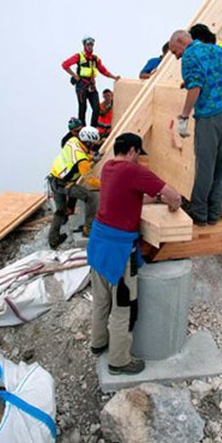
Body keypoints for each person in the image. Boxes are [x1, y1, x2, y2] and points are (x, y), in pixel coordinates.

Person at [86, 133, 182, 375]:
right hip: (119, 252)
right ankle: (118, 362)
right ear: (132, 150)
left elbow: (131, 197)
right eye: (138, 154)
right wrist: (173, 204)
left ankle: (98, 344)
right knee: (123, 309)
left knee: (101, 301)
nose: (139, 158)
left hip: (98, 245)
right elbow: (176, 197)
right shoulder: (135, 171)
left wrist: (155, 197)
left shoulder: (109, 168)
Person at [169, 29, 222, 226]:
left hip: (210, 115)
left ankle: (199, 216)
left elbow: (196, 86)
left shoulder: (190, 55)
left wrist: (184, 115)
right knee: (220, 167)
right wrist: (220, 83)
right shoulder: (218, 50)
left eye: (174, 51)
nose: (176, 57)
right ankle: (213, 215)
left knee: (205, 166)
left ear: (181, 41)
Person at [47, 126, 101, 249]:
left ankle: (53, 240)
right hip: (64, 184)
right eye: (92, 144)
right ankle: (89, 229)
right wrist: (106, 185)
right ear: (88, 142)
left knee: (60, 211)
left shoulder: (72, 141)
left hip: (54, 180)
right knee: (91, 197)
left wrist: (92, 158)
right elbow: (91, 181)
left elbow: (79, 152)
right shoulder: (82, 161)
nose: (93, 146)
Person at [61, 36, 120, 126]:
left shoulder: (95, 59)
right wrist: (74, 75)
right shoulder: (79, 56)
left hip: (91, 85)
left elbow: (103, 70)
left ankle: (93, 128)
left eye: (91, 45)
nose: (90, 47)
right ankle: (82, 128)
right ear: (84, 45)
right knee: (83, 107)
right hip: (82, 85)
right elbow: (65, 65)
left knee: (96, 108)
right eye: (88, 45)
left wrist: (114, 77)